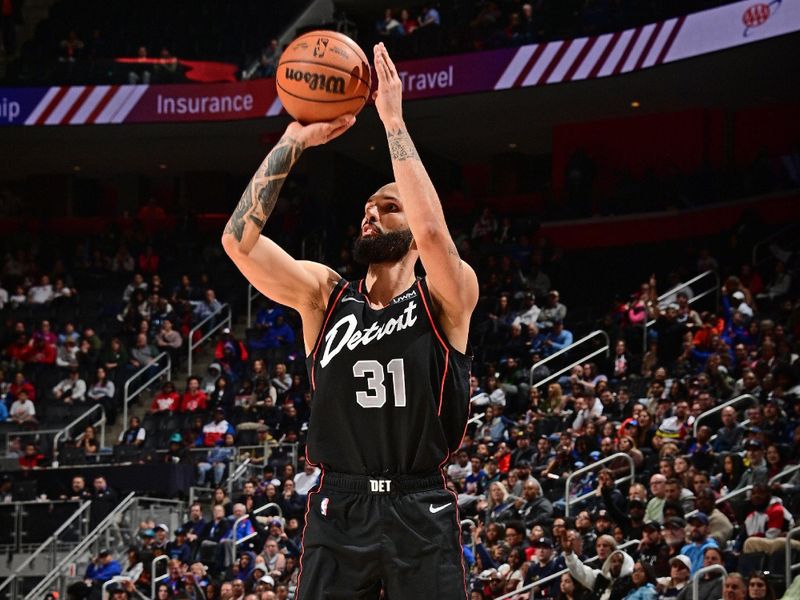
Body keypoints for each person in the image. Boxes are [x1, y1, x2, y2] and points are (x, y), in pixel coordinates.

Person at [221, 42, 477, 599]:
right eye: (366, 208)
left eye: (388, 206)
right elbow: (237, 243)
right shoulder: (326, 296)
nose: (371, 213)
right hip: (340, 506)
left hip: (419, 503)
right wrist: (292, 141)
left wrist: (392, 124)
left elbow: (433, 237)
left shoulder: (447, 296)